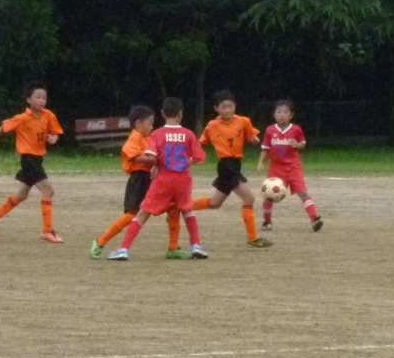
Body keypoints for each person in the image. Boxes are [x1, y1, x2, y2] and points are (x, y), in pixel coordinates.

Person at [108, 97, 208, 260]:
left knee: (142, 213)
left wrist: (159, 164)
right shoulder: (188, 134)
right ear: (181, 114)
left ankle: (124, 249)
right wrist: (184, 162)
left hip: (163, 180)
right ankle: (196, 246)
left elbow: (152, 157)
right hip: (183, 179)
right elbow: (199, 158)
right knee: (188, 211)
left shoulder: (157, 134)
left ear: (162, 114)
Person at [90, 104, 186, 259]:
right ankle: (100, 241)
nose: (152, 126)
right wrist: (155, 160)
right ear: (138, 124)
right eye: (149, 123)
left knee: (173, 208)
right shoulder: (134, 138)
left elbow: (160, 154)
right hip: (139, 181)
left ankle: (173, 247)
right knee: (132, 215)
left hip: (154, 181)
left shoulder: (151, 138)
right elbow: (136, 157)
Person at [191, 90, 273, 248]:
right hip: (226, 166)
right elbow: (201, 143)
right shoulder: (212, 125)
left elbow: (252, 137)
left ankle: (181, 207)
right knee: (249, 199)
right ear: (216, 108)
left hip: (236, 164)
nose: (227, 110)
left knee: (215, 203)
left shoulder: (243, 121)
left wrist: (255, 140)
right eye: (223, 107)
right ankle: (253, 237)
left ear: (235, 106)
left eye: (230, 106)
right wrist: (194, 156)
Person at [0, 84, 64, 242]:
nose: (42, 100)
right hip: (28, 159)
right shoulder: (23, 118)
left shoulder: (48, 115)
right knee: (48, 191)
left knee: (21, 195)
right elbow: (3, 127)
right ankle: (47, 231)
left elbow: (55, 133)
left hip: (37, 159)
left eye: (44, 98)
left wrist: (53, 138)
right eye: (38, 97)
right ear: (28, 100)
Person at [257, 99, 323, 232]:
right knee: (268, 195)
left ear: (291, 115)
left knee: (303, 193)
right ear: (274, 114)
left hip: (293, 167)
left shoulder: (296, 129)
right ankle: (267, 221)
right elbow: (266, 148)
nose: (282, 114)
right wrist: (261, 162)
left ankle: (315, 219)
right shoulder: (270, 130)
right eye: (279, 112)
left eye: (285, 112)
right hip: (276, 168)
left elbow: (303, 144)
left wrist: (297, 144)